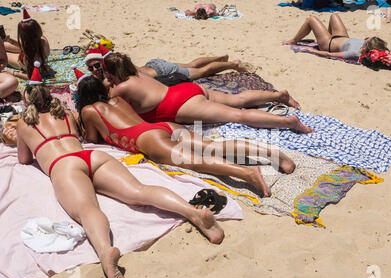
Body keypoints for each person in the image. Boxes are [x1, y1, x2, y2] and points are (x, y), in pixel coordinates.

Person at [16, 63, 225, 278]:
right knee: (138, 191)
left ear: (27, 100)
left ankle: (106, 252)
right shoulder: (67, 114)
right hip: (92, 157)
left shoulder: (23, 123)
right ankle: (193, 212)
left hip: (64, 165)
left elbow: (24, 159)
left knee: (87, 210)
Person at [76, 75, 299, 197]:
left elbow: (94, 139)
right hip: (163, 126)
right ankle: (271, 153)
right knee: (212, 146)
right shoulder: (118, 100)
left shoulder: (89, 111)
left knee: (194, 161)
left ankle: (247, 173)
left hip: (145, 138)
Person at [100, 50, 313, 134]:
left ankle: (289, 123)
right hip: (185, 91)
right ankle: (279, 96)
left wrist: (106, 83)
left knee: (238, 115)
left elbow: (102, 101)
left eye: (107, 74)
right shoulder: (139, 74)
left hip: (179, 105)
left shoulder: (120, 89)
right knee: (237, 100)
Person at [85, 47, 248, 88]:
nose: (95, 70)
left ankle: (232, 64)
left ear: (103, 62)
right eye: (90, 68)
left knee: (201, 71)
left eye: (97, 65)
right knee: (191, 64)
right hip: (154, 65)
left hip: (161, 71)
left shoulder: (114, 70)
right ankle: (220, 58)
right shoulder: (116, 63)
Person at [282, 13, 390, 61]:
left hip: (328, 44)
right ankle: (325, 34)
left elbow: (330, 54)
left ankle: (293, 40)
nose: (366, 39)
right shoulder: (369, 46)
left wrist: (310, 50)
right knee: (334, 15)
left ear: (367, 46)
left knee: (311, 19)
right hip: (342, 36)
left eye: (368, 40)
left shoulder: (356, 53)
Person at [3, 6, 51, 80]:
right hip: (27, 51)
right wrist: (11, 41)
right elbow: (25, 46)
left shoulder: (31, 58)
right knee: (4, 45)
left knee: (3, 53)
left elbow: (32, 77)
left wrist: (12, 73)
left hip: (22, 61)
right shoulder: (42, 39)